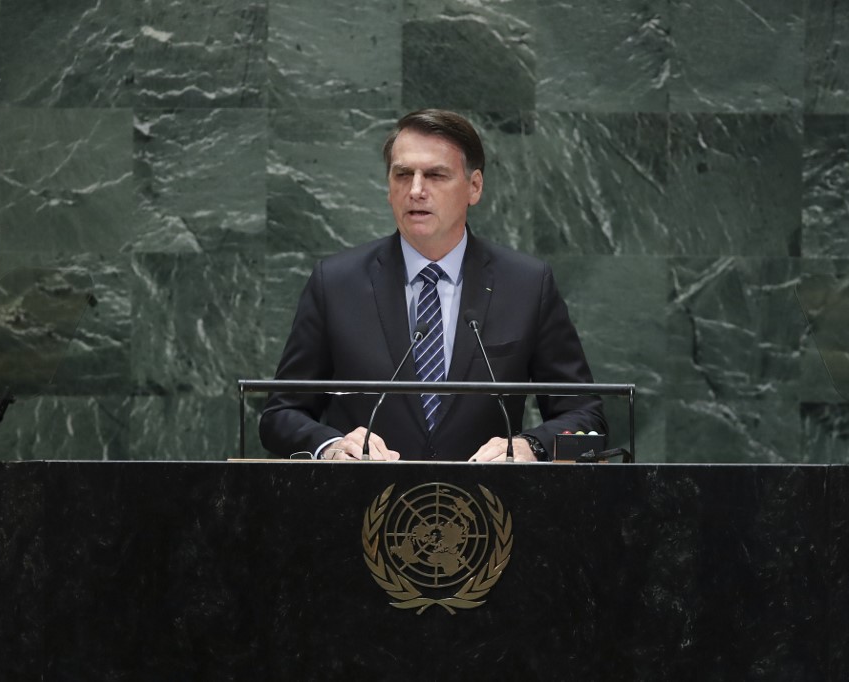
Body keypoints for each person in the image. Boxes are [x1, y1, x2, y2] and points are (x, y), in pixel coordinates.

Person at [259, 109, 605, 461]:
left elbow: (585, 417)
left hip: (487, 495)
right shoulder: (336, 284)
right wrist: (330, 446)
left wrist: (530, 445)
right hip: (364, 494)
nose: (416, 190)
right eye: (402, 174)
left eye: (436, 175)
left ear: (474, 187)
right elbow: (280, 414)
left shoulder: (526, 285)